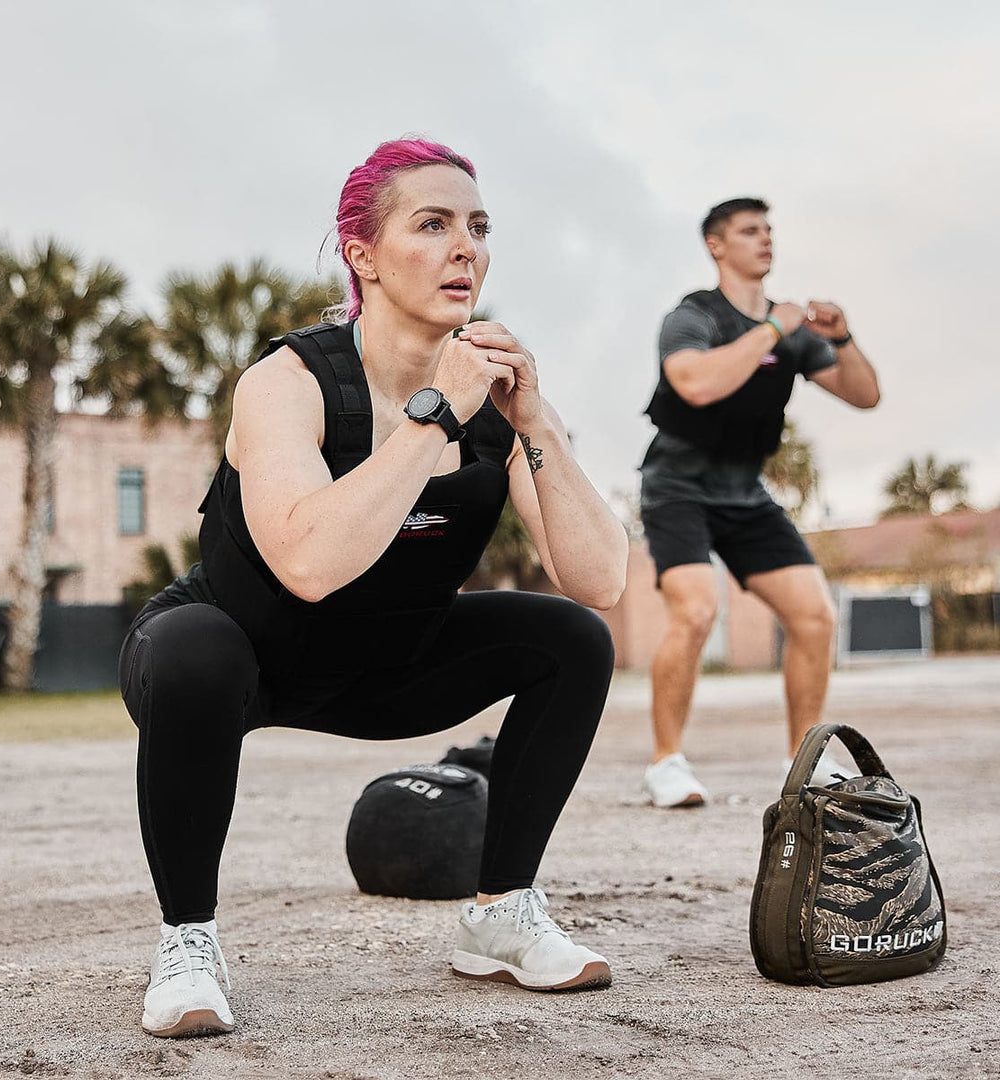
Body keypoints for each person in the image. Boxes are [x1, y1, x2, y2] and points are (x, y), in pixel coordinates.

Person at [119, 138, 629, 1037]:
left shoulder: (495, 397)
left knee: (571, 639)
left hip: (389, 664)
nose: (464, 247)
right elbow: (310, 566)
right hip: (245, 660)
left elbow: (601, 578)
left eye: (478, 227)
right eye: (432, 225)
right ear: (364, 256)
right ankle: (188, 943)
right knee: (193, 648)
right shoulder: (288, 383)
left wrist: (537, 423)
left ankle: (502, 914)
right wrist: (436, 417)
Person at [638, 197, 880, 808]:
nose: (765, 239)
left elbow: (864, 396)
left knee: (815, 616)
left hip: (745, 494)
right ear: (717, 246)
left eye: (768, 230)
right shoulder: (693, 316)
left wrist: (842, 337)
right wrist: (773, 329)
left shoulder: (794, 331)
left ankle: (805, 761)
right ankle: (666, 764)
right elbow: (694, 383)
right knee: (696, 610)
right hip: (677, 488)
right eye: (749, 231)